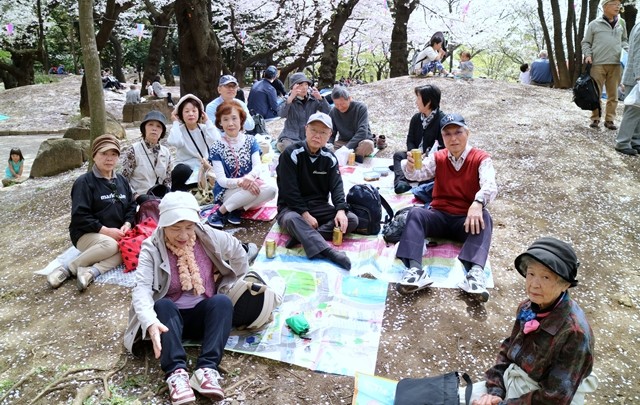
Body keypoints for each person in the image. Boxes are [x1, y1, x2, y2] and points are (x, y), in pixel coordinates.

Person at [124, 191, 247, 405]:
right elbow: (141, 289)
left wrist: (235, 282)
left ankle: (207, 370)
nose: (183, 235)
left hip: (201, 315)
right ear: (163, 225)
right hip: (169, 324)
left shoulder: (206, 235)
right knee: (162, 305)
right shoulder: (151, 247)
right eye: (175, 228)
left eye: (188, 227)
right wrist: (150, 322)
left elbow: (237, 251)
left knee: (222, 303)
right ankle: (176, 374)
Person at [465, 237, 598, 405]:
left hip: (544, 397)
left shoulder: (574, 333)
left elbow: (555, 398)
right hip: (516, 382)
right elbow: (508, 349)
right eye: (531, 273)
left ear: (565, 285)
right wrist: (495, 391)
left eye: (546, 277)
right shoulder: (527, 307)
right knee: (449, 397)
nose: (534, 284)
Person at [395, 113, 497, 301]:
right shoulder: (439, 157)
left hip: (465, 220)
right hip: (439, 215)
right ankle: (415, 271)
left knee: (485, 217)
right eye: (447, 134)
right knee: (416, 213)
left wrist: (477, 203)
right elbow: (417, 174)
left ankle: (474, 274)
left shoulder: (481, 158)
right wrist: (410, 166)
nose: (453, 138)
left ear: (467, 133)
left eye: (458, 132)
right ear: (442, 138)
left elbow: (490, 185)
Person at [47, 134, 136, 291]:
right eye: (104, 153)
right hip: (86, 234)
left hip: (116, 234)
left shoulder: (121, 180)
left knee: (127, 249)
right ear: (94, 156)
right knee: (111, 245)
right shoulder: (84, 182)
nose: (109, 158)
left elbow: (131, 205)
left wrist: (127, 223)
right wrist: (106, 231)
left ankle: (91, 272)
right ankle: (68, 269)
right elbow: (80, 216)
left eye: (113, 154)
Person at [276, 112, 358, 270]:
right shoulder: (291, 153)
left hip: (319, 206)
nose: (317, 135)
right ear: (306, 129)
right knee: (293, 219)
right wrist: (304, 214)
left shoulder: (329, 158)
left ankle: (303, 236)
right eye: (313, 130)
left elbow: (337, 187)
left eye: (322, 132)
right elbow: (288, 191)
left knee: (351, 219)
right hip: (292, 208)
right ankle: (329, 252)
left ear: (329, 135)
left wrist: (341, 209)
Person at [206, 101, 277, 228]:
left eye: (234, 118)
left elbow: (257, 167)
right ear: (220, 123)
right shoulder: (216, 146)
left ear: (241, 120)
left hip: (250, 184)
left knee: (272, 190)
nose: (230, 123)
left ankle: (233, 210)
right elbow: (221, 180)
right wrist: (242, 182)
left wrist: (249, 178)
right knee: (250, 192)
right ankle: (221, 211)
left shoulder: (251, 140)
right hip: (227, 191)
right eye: (225, 119)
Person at [582, 0, 628, 129]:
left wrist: (628, 51)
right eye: (614, 3)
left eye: (619, 4)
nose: (618, 6)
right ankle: (595, 118)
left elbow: (624, 41)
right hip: (598, 64)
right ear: (605, 6)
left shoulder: (621, 23)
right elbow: (585, 42)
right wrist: (588, 54)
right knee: (595, 93)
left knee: (613, 95)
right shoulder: (594, 24)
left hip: (616, 64)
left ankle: (609, 120)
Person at [391, 85, 445, 194]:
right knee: (398, 155)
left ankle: (425, 182)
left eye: (418, 98)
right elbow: (410, 139)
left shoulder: (442, 120)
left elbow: (442, 147)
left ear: (428, 102)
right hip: (415, 156)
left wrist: (426, 155)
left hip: (430, 159)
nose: (416, 102)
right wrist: (412, 152)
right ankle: (401, 182)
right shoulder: (416, 118)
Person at [120, 111, 173, 201]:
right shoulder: (133, 150)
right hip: (139, 199)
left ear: (162, 131)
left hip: (161, 199)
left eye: (158, 126)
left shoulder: (166, 152)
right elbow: (124, 179)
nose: (154, 129)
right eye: (150, 125)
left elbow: (167, 180)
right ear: (144, 128)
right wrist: (135, 196)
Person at [167, 94, 220, 183]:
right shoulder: (179, 130)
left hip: (204, 166)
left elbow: (216, 141)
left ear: (200, 113)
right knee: (181, 171)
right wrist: (175, 123)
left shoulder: (204, 128)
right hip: (185, 169)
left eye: (194, 111)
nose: (191, 114)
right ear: (181, 114)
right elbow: (175, 142)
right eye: (187, 111)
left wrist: (207, 121)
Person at [276, 72, 331, 152]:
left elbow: (328, 112)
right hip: (291, 136)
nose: (304, 88)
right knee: (288, 149)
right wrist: (290, 99)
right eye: (300, 85)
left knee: (325, 149)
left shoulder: (313, 98)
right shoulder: (287, 99)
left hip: (309, 136)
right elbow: (281, 114)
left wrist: (320, 99)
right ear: (293, 87)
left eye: (306, 85)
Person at [328, 86, 375, 163]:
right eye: (336, 104)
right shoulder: (333, 111)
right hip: (343, 142)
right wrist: (329, 145)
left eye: (342, 104)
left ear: (349, 99)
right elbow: (331, 133)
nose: (340, 107)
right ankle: (354, 157)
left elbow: (362, 132)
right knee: (327, 148)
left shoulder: (361, 108)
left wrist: (346, 149)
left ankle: (350, 156)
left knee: (368, 144)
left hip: (360, 143)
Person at [615, 19, 640, 156]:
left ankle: (635, 141)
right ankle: (623, 142)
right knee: (633, 110)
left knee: (638, 110)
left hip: (634, 75)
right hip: (635, 76)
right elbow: (638, 54)